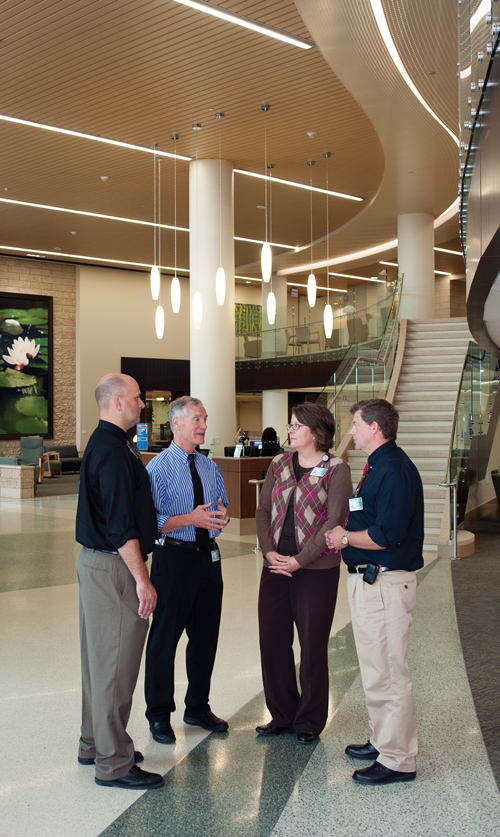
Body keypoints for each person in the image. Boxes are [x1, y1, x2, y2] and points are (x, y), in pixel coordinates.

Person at [325, 398, 424, 785]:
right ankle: (383, 740)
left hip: (384, 583)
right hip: (371, 582)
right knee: (375, 670)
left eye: (356, 424)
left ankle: (398, 759)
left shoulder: (395, 470)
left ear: (375, 428)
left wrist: (343, 536)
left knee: (388, 673)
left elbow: (387, 534)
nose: (351, 431)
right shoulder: (378, 466)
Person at [75, 373, 163, 790]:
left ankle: (95, 742)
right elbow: (120, 524)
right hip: (114, 567)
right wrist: (142, 581)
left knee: (99, 663)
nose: (142, 404)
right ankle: (113, 762)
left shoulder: (108, 443)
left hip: (99, 563)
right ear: (115, 402)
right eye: (136, 398)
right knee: (115, 665)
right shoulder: (111, 450)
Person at [255, 402, 352, 743]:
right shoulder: (279, 463)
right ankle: (281, 713)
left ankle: (309, 718)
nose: (290, 430)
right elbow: (264, 510)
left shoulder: (337, 468)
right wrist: (270, 553)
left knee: (312, 645)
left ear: (316, 431)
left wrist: (299, 560)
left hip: (316, 570)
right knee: (273, 640)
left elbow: (334, 522)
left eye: (296, 425)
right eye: (290, 425)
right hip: (275, 567)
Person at [144, 396, 230, 744]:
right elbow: (149, 523)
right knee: (165, 638)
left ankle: (197, 705)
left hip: (208, 559)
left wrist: (220, 517)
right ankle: (159, 714)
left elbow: (222, 505)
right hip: (173, 561)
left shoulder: (209, 466)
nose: (203, 426)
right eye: (196, 419)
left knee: (205, 637)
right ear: (176, 422)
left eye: (205, 419)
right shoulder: (157, 468)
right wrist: (189, 519)